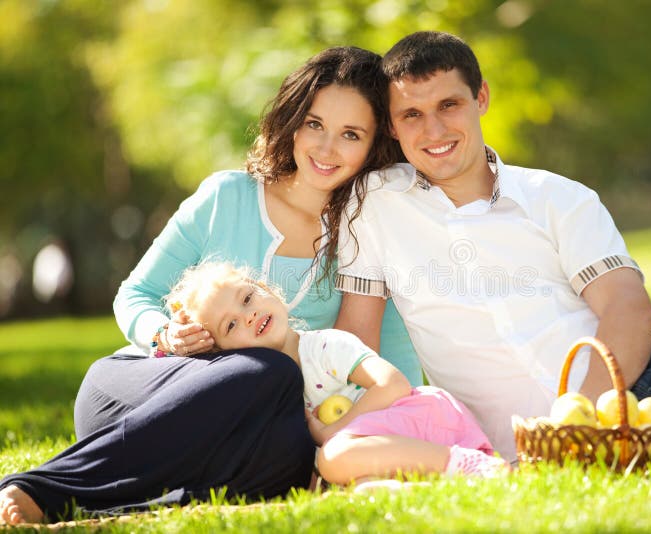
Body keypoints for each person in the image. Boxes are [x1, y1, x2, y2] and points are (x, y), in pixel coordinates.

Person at [334, 31, 651, 466]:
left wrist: (582, 419)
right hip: (539, 435)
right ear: (392, 127)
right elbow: (357, 335)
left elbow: (628, 309)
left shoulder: (556, 195)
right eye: (411, 114)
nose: (432, 129)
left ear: (481, 98)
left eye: (449, 105)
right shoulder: (374, 204)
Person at [0, 46, 419, 525]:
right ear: (291, 121)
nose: (327, 149)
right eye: (314, 124)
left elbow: (391, 366)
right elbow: (135, 295)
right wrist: (163, 335)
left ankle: (141, 496)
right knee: (272, 370)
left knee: (288, 435)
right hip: (145, 396)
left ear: (373, 147)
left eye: (351, 134)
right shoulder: (226, 197)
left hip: (256, 428)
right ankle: (41, 488)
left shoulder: (372, 233)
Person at [165, 261, 508, 485]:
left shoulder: (325, 347)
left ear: (268, 291)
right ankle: (430, 483)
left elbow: (393, 385)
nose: (249, 316)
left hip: (418, 417)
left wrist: (330, 431)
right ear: (228, 354)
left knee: (333, 457)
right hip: (374, 452)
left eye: (247, 299)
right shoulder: (269, 388)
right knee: (361, 488)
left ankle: (465, 464)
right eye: (231, 324)